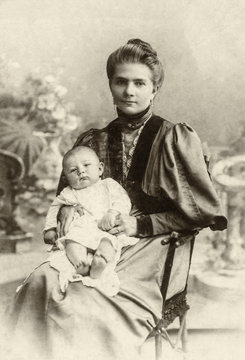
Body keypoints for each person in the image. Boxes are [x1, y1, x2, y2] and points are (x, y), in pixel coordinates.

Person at [6, 39, 227, 360]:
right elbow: (66, 197)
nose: (129, 91)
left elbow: (201, 213)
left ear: (155, 89)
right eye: (121, 82)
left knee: (82, 305)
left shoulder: (173, 139)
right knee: (40, 281)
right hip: (91, 239)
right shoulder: (92, 143)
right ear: (110, 85)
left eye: (140, 83)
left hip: (149, 250)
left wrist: (139, 223)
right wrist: (68, 212)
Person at [43, 145, 138, 295]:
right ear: (66, 178)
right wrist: (50, 228)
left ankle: (101, 261)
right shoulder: (68, 192)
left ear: (100, 169)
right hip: (82, 228)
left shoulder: (108, 185)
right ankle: (81, 263)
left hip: (104, 228)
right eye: (73, 170)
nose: (81, 171)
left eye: (86, 165)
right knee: (71, 241)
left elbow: (123, 200)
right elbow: (54, 208)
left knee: (108, 242)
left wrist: (113, 212)